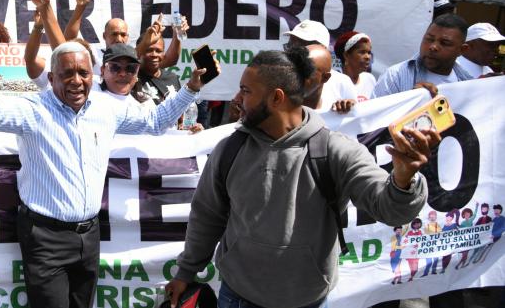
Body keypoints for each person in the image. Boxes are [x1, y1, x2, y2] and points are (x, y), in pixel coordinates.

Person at [165, 47, 436, 308]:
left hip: (309, 300)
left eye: (246, 91)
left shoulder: (335, 151)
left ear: (276, 98)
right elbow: (207, 216)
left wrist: (403, 179)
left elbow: (390, 210)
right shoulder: (230, 150)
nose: (237, 99)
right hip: (237, 297)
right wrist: (186, 272)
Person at [0, 39, 215, 308]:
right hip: (44, 237)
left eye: (83, 73)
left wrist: (192, 87)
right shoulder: (32, 110)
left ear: (93, 76)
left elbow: (155, 122)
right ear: (51, 78)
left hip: (89, 235)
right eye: (67, 73)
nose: (76, 81)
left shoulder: (106, 108)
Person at [373, 14, 473, 98]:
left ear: (462, 50)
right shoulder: (395, 76)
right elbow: (375, 114)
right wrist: (412, 101)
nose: (433, 47)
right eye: (429, 39)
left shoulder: (469, 83)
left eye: (444, 43)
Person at [284, 21, 356, 112]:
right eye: (291, 45)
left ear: (322, 49)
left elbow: (356, 114)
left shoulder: (342, 82)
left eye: (301, 47)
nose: (293, 51)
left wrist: (349, 105)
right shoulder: (280, 78)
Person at [93, 43, 156, 111]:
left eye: (131, 68)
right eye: (115, 67)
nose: (123, 74)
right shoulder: (91, 96)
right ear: (102, 71)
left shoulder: (146, 106)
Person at [135, 25, 181, 105]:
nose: (154, 55)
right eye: (149, 50)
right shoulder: (132, 78)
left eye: (159, 51)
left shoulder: (172, 77)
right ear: (140, 51)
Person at [333, 31, 375, 101]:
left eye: (369, 52)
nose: (368, 57)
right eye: (362, 52)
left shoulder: (369, 79)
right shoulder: (333, 82)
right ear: (346, 55)